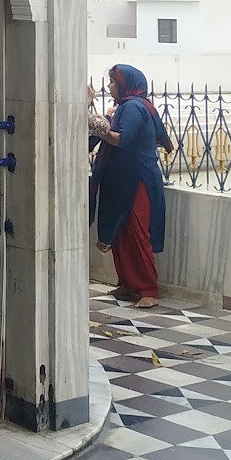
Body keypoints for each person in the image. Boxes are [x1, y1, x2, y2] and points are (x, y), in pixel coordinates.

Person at [88, 64, 167, 308]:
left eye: (113, 82)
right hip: (121, 178)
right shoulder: (125, 107)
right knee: (120, 231)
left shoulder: (133, 107)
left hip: (136, 180)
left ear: (124, 84)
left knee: (136, 232)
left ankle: (148, 289)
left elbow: (122, 139)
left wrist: (99, 127)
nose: (109, 86)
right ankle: (129, 284)